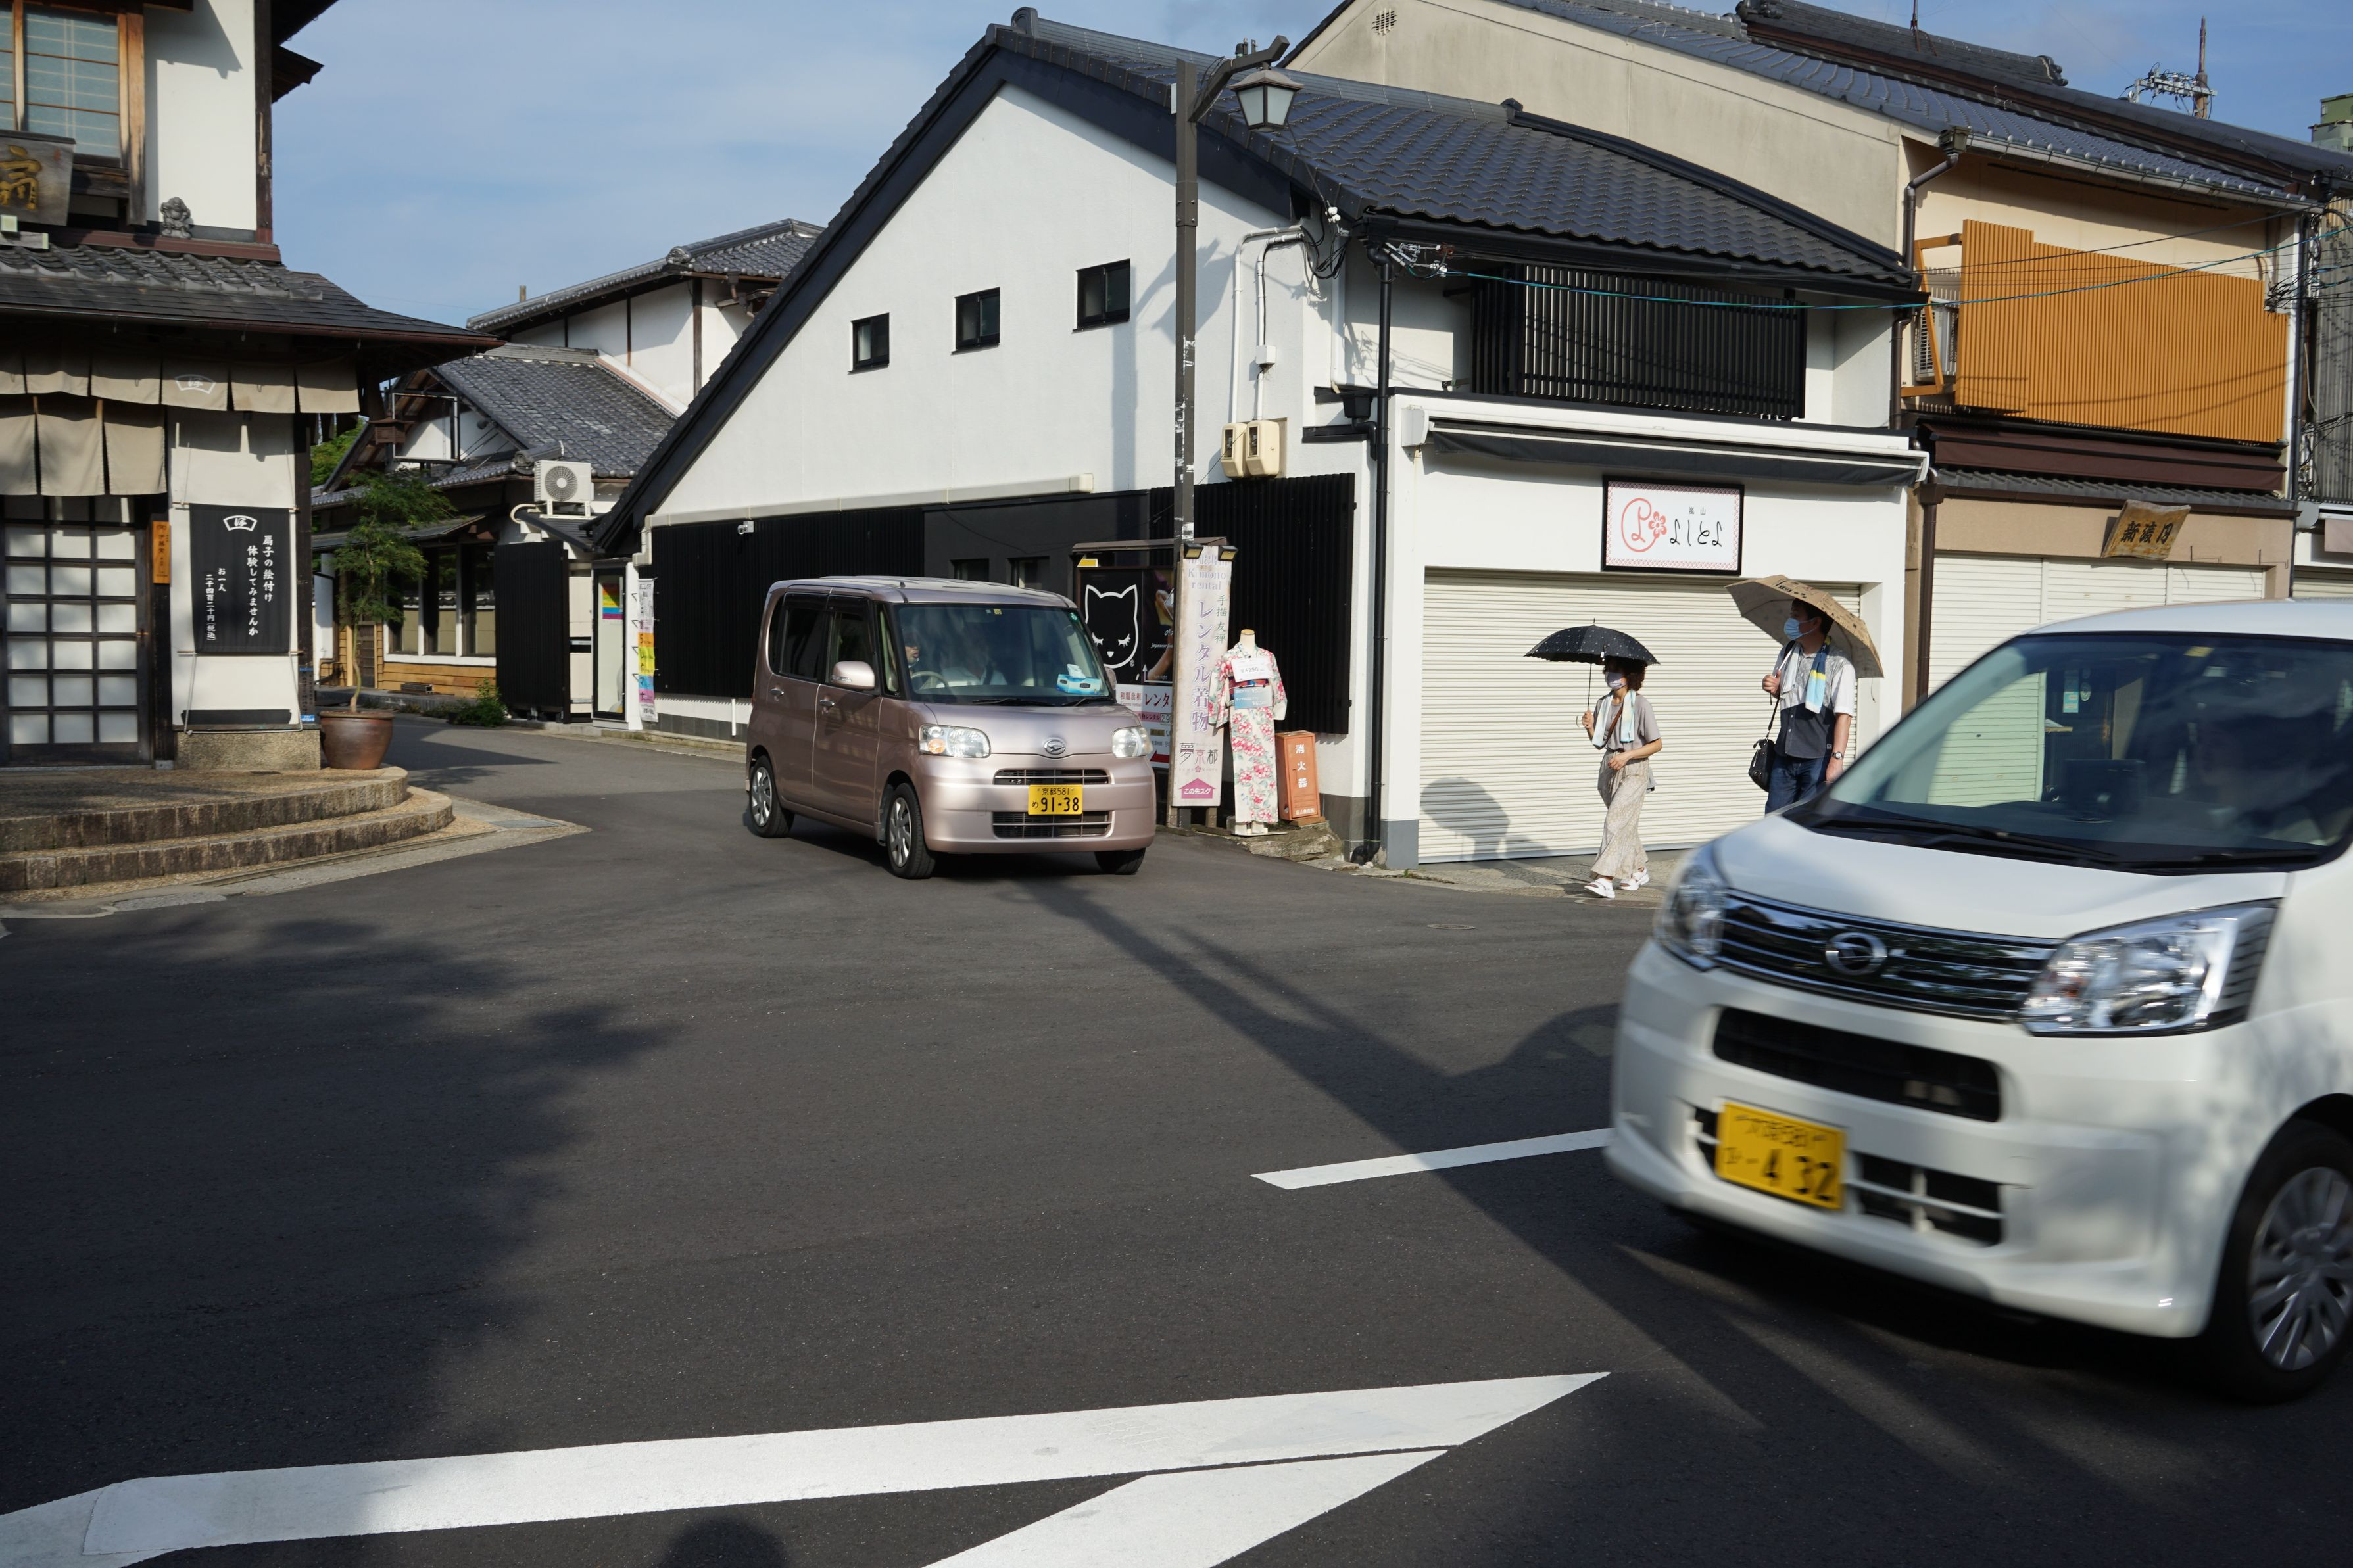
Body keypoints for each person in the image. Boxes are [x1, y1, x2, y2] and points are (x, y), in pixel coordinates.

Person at [1580, 657, 1663, 899]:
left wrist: (1628, 756)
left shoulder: (1641, 705)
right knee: (1623, 823)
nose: (1610, 675)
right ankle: (1638, 870)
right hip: (1609, 768)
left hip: (1635, 769)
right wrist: (1590, 727)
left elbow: (1657, 744)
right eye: (1608, 670)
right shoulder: (1603, 703)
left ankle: (1605, 879)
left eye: (1616, 671)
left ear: (1630, 675)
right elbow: (1599, 743)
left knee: (1615, 821)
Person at [1761, 601, 1855, 811]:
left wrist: (1837, 760)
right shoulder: (1788, 653)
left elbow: (1844, 716)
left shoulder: (1840, 663)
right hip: (1784, 755)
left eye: (1796, 616)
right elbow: (1785, 694)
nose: (1790, 621)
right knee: (1774, 819)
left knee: (1808, 819)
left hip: (1818, 760)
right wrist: (1774, 688)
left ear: (1815, 622)